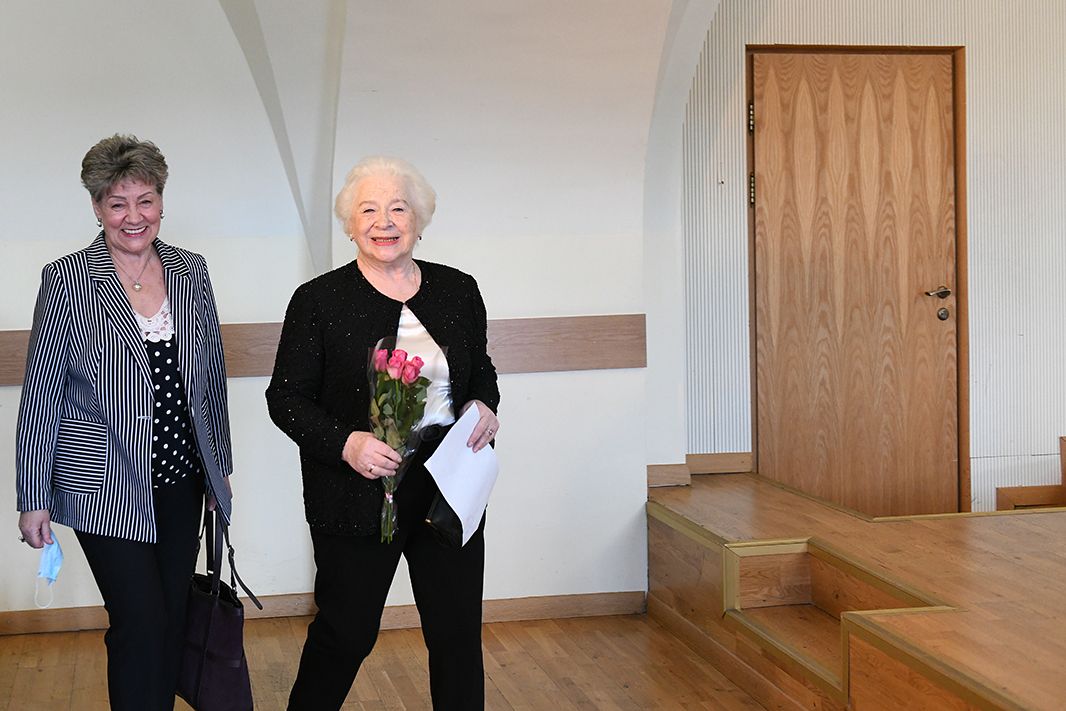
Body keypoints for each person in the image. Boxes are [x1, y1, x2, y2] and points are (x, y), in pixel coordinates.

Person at [266, 156, 500, 710]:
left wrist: (485, 404)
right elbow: (286, 399)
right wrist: (346, 444)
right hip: (357, 492)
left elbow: (480, 370)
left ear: (418, 220)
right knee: (346, 634)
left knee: (457, 635)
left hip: (448, 486)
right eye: (368, 210)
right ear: (350, 225)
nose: (384, 222)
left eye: (398, 208)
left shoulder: (458, 289)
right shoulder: (319, 301)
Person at [15, 134, 234, 711]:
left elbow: (211, 377)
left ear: (161, 201)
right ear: (97, 207)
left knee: (172, 618)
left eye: (145, 200)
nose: (134, 217)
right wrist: (34, 497)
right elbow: (42, 394)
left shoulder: (190, 271)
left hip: (183, 480)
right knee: (139, 622)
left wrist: (221, 471)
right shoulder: (66, 278)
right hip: (104, 486)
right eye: (118, 204)